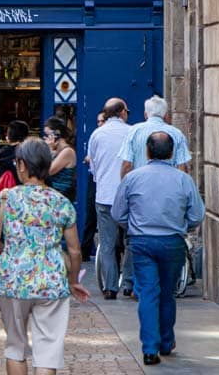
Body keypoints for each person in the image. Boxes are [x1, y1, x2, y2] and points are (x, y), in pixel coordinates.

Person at [0, 137, 90, 375]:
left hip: (12, 281)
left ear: (21, 164)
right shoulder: (61, 203)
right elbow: (74, 250)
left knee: (15, 346)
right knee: (48, 350)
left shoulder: (5, 198)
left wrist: (14, 252)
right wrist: (73, 281)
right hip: (51, 281)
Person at [112, 132, 205, 366]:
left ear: (147, 152)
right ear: (172, 153)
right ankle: (165, 340)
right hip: (172, 240)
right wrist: (182, 225)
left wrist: (133, 226)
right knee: (167, 292)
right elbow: (197, 214)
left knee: (148, 292)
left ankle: (150, 348)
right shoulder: (184, 180)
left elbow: (117, 213)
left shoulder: (132, 178)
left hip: (142, 242)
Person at [87, 98, 132, 298]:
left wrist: (101, 180)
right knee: (131, 239)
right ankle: (129, 282)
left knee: (106, 243)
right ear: (122, 112)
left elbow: (93, 165)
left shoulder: (97, 134)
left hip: (104, 194)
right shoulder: (131, 132)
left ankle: (111, 287)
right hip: (128, 196)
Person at [119, 95, 191, 177]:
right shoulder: (177, 134)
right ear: (166, 115)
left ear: (145, 114)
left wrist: (125, 186)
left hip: (141, 185)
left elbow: (127, 165)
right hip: (169, 186)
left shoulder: (133, 131)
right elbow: (182, 167)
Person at [80, 110, 104, 260]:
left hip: (106, 178)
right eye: (98, 121)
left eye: (102, 121)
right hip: (95, 178)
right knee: (91, 215)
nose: (100, 124)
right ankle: (86, 249)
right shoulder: (96, 135)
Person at [43, 116, 76, 201]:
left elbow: (48, 171)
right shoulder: (56, 150)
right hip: (52, 194)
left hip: (62, 195)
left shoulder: (67, 151)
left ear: (57, 134)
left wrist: (49, 150)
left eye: (48, 135)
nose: (45, 138)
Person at [0, 119, 29, 184]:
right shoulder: (29, 152)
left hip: (5, 191)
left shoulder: (1, 154)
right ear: (26, 137)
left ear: (8, 137)